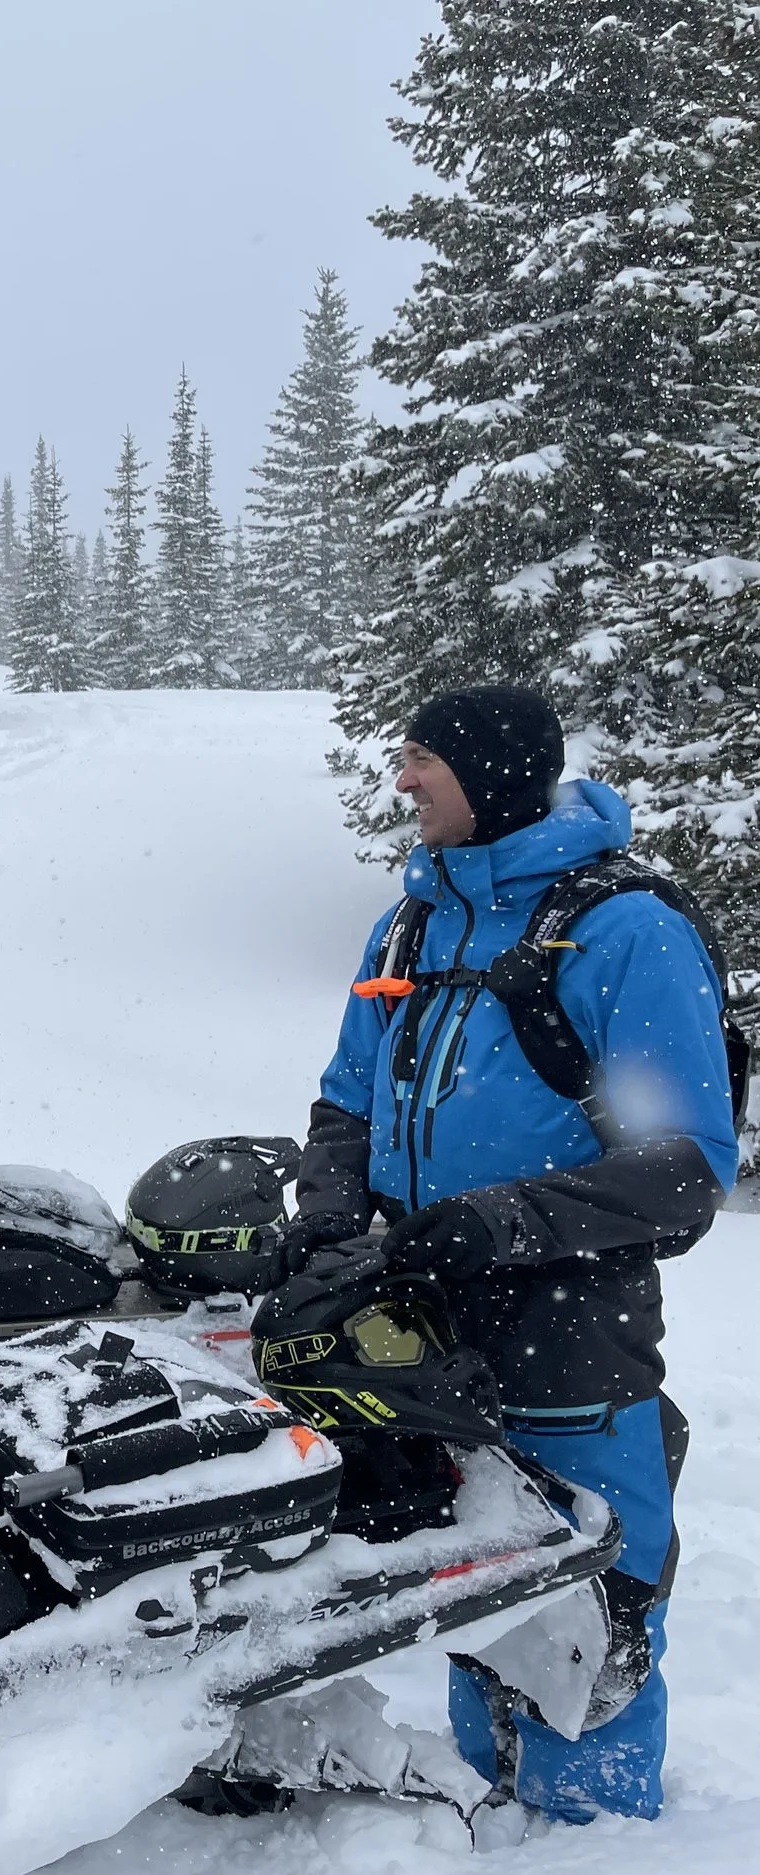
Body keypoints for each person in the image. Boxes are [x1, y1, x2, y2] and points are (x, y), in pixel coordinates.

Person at [288, 684, 737, 1822]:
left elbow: (685, 1161)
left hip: (569, 1309)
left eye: (420, 762)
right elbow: (347, 1095)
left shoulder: (622, 926)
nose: (401, 782)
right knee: (472, 1567)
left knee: (591, 1588)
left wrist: (498, 1224)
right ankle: (493, 1800)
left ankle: (587, 1829)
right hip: (423, 1306)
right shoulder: (413, 918)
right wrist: (332, 1209)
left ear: (485, 776)